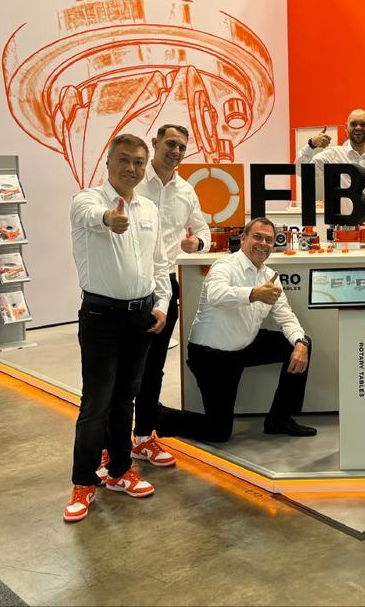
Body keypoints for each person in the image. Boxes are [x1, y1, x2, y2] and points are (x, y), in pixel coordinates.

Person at [63, 134, 170, 523]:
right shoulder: (87, 200)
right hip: (101, 317)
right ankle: (83, 481)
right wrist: (110, 218)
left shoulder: (149, 208)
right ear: (108, 162)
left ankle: (120, 470)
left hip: (140, 316)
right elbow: (92, 216)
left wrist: (161, 304)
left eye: (139, 162)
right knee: (96, 402)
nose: (131, 168)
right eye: (124, 160)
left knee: (126, 398)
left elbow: (159, 262)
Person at [152, 217, 317, 443]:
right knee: (218, 431)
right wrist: (254, 294)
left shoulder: (270, 276)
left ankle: (279, 419)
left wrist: (300, 342)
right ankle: (156, 414)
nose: (263, 244)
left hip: (246, 345)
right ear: (244, 238)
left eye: (269, 240)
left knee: (299, 344)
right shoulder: (224, 266)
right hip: (213, 355)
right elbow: (216, 295)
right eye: (257, 237)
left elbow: (285, 316)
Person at [130, 124, 212, 468]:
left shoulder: (186, 191)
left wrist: (198, 243)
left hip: (165, 286)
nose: (175, 151)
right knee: (124, 370)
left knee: (154, 368)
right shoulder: (133, 181)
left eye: (181, 147)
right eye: (170, 144)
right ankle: (111, 443)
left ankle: (142, 437)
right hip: (130, 285)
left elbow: (204, 228)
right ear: (155, 143)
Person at [297, 109, 365, 241]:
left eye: (363, 124)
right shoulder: (333, 155)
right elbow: (300, 170)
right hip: (343, 231)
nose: (358, 127)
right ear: (346, 128)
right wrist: (311, 145)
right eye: (353, 124)